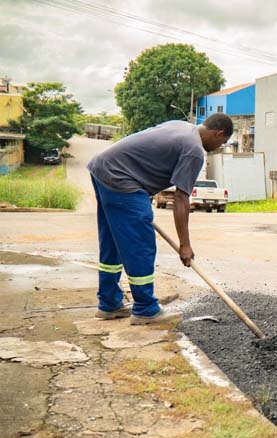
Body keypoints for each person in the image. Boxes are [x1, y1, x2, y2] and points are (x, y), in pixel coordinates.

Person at [88, 113, 232, 325]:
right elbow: (181, 199)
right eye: (223, 142)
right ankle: (145, 309)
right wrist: (185, 245)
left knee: (113, 243)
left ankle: (109, 304)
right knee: (140, 245)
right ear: (218, 133)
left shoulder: (181, 126)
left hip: (103, 168)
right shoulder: (194, 151)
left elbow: (147, 149)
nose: (220, 146)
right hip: (123, 180)